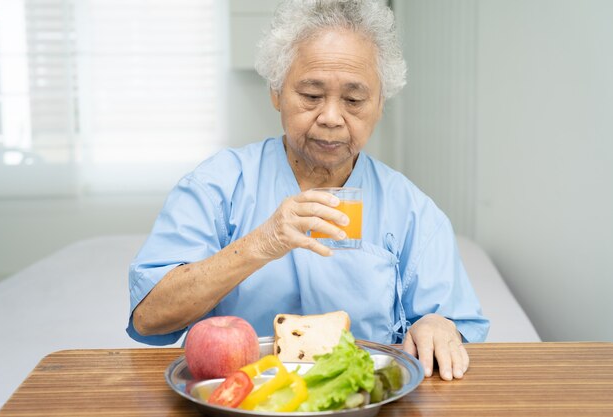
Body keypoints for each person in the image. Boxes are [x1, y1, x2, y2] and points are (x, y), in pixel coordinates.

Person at [127, 0, 489, 381]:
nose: (331, 117)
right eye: (312, 95)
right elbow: (150, 316)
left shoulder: (412, 210)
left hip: (362, 397)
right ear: (276, 92)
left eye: (353, 99)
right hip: (241, 397)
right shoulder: (217, 185)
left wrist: (438, 325)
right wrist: (260, 243)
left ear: (381, 103)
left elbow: (455, 325)